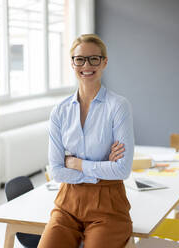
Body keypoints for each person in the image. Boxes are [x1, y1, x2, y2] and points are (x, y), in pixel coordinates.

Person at [38, 34, 134, 248]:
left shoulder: (118, 106)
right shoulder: (60, 111)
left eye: (94, 59)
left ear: (104, 62)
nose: (86, 65)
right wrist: (101, 170)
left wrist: (77, 163)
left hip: (108, 207)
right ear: (72, 63)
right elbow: (56, 171)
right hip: (67, 204)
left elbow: (122, 170)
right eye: (80, 59)